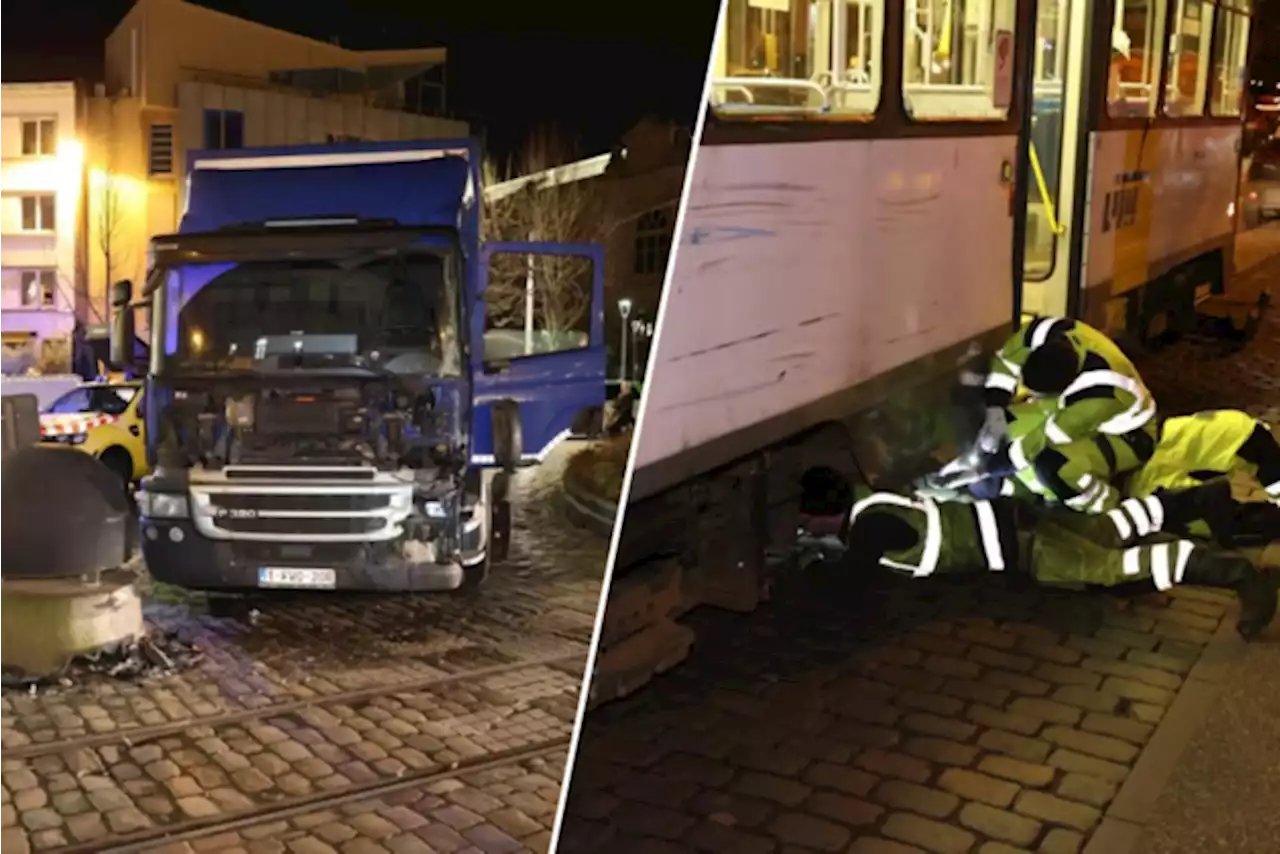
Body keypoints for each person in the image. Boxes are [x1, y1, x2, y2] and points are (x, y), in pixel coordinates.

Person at [798, 466, 1277, 641]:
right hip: (1021, 517)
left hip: (1026, 546)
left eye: (810, 520)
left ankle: (1240, 577)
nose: (807, 526)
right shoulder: (873, 498)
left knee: (1112, 567)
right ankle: (1199, 498)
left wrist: (814, 573)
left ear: (829, 513)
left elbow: (853, 583)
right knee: (1112, 528)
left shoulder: (870, 526)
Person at [977, 316, 1157, 511]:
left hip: (1130, 436)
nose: (1031, 398)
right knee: (1009, 424)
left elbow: (1044, 439)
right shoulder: (1048, 331)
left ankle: (1103, 508)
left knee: (1054, 464)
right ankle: (1024, 490)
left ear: (1062, 389)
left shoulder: (1099, 395)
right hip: (1071, 409)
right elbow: (1007, 360)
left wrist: (994, 465)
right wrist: (995, 408)